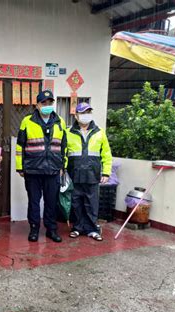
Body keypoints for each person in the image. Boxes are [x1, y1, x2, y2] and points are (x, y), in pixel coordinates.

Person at [16, 90, 67, 243]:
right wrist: (20, 167)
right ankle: (34, 229)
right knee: (34, 202)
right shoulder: (27, 121)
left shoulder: (60, 121)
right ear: (37, 105)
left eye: (50, 103)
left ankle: (51, 230)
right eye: (43, 103)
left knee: (52, 202)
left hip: (53, 169)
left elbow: (64, 146)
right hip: (33, 169)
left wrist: (63, 166)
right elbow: (20, 146)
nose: (47, 105)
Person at [66, 102, 112, 241]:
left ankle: (92, 229)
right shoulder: (68, 133)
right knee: (76, 203)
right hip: (75, 174)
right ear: (76, 115)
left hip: (92, 175)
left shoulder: (99, 132)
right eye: (83, 112)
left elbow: (106, 154)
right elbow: (64, 153)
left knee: (92, 203)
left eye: (88, 112)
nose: (86, 115)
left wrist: (106, 173)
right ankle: (77, 228)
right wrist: (63, 170)